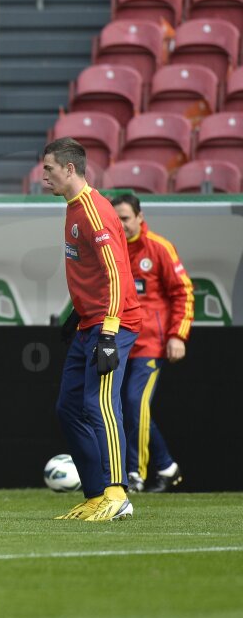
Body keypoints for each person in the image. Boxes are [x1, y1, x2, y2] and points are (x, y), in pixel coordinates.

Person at [42, 138, 142, 522]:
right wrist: (76, 315)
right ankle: (97, 493)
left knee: (101, 404)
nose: (44, 175)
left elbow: (117, 274)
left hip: (113, 323)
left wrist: (108, 333)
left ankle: (117, 493)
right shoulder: (72, 208)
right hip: (90, 321)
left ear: (69, 169)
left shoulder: (94, 213)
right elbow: (94, 275)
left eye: (49, 168)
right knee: (69, 408)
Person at [111, 193, 193, 493]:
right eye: (116, 219)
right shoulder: (111, 249)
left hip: (150, 345)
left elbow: (183, 293)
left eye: (126, 218)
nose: (121, 224)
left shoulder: (159, 247)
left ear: (140, 217)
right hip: (119, 343)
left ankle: (135, 473)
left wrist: (177, 336)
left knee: (135, 403)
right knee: (126, 408)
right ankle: (167, 466)